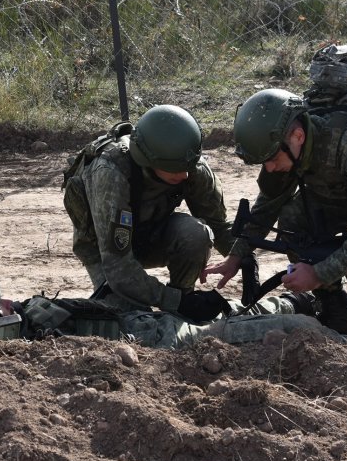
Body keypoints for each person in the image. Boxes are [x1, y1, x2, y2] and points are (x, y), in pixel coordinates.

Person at [203, 87, 347, 354]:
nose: (270, 168)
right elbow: (269, 203)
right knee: (295, 223)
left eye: (273, 160)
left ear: (298, 136)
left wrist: (319, 273)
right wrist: (235, 257)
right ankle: (337, 317)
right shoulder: (283, 145)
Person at [62, 104, 239, 323]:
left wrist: (242, 255)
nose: (184, 174)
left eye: (188, 167)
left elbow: (219, 226)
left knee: (196, 234)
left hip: (150, 234)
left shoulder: (187, 162)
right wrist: (175, 301)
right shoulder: (111, 172)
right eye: (175, 169)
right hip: (104, 251)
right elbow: (119, 267)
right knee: (133, 318)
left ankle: (181, 302)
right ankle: (177, 303)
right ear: (148, 160)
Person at [0, 272, 339, 349]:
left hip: (150, 334)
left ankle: (295, 305)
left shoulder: (31, 323)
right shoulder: (31, 327)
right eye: (0, 304)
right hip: (151, 336)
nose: (10, 302)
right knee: (227, 327)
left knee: (225, 326)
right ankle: (296, 307)